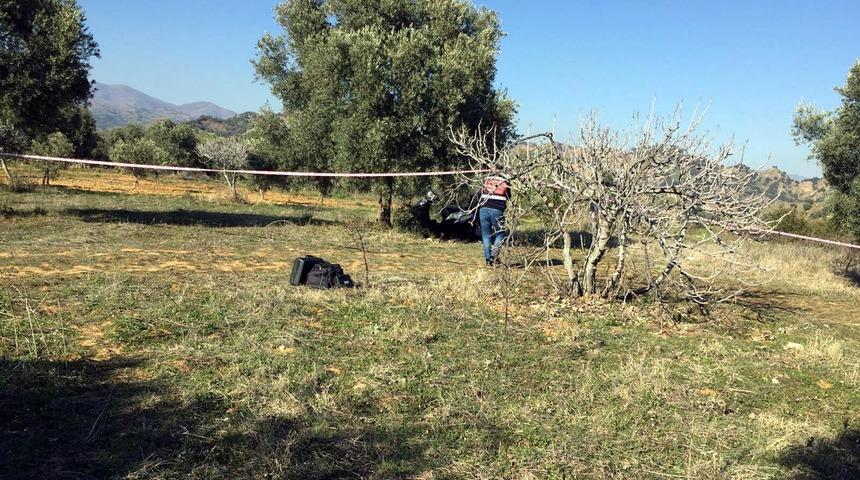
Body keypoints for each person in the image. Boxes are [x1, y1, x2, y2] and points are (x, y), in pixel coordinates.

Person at [474, 172, 511, 266]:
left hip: (483, 209)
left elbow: (479, 194)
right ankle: (493, 257)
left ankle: (488, 259)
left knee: (486, 235)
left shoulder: (486, 179)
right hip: (497, 210)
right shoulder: (505, 180)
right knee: (501, 233)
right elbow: (508, 197)